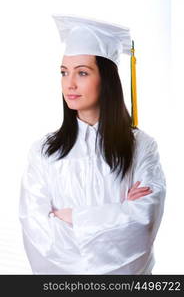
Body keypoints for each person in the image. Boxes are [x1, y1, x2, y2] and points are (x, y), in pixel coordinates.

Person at [19, 14, 166, 275]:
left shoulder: (141, 146)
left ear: (107, 79)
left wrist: (72, 217)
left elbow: (142, 225)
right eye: (64, 73)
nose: (69, 84)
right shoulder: (43, 152)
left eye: (82, 73)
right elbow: (38, 236)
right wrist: (120, 212)